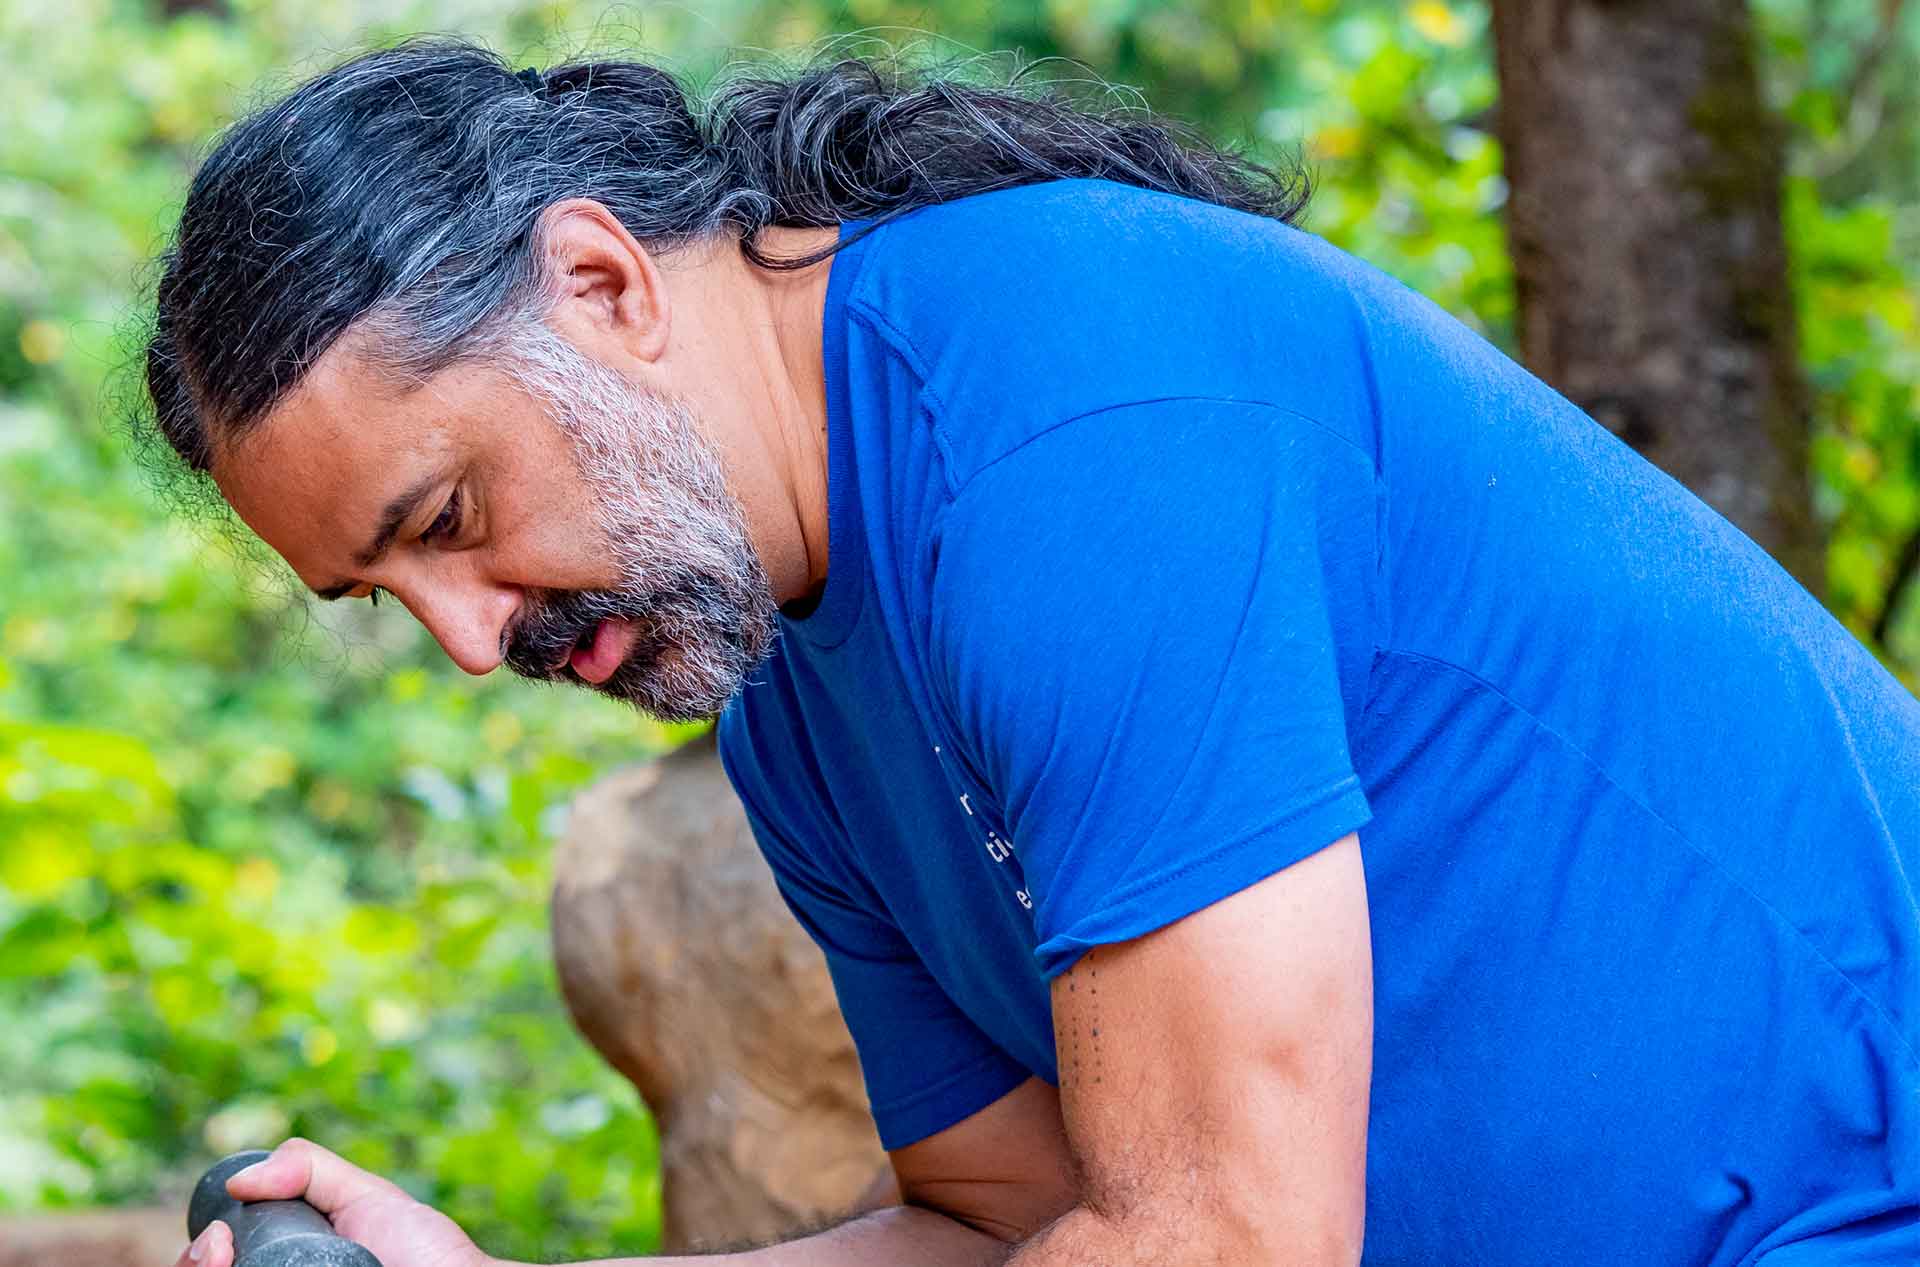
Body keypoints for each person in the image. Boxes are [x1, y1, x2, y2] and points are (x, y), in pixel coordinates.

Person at [141, 38, 1919, 1267]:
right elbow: (1004, 1225)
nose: (468, 644)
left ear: (604, 286)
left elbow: (1225, 1241)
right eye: (389, 600)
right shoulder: (788, 695)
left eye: (446, 520)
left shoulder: (1072, 411)